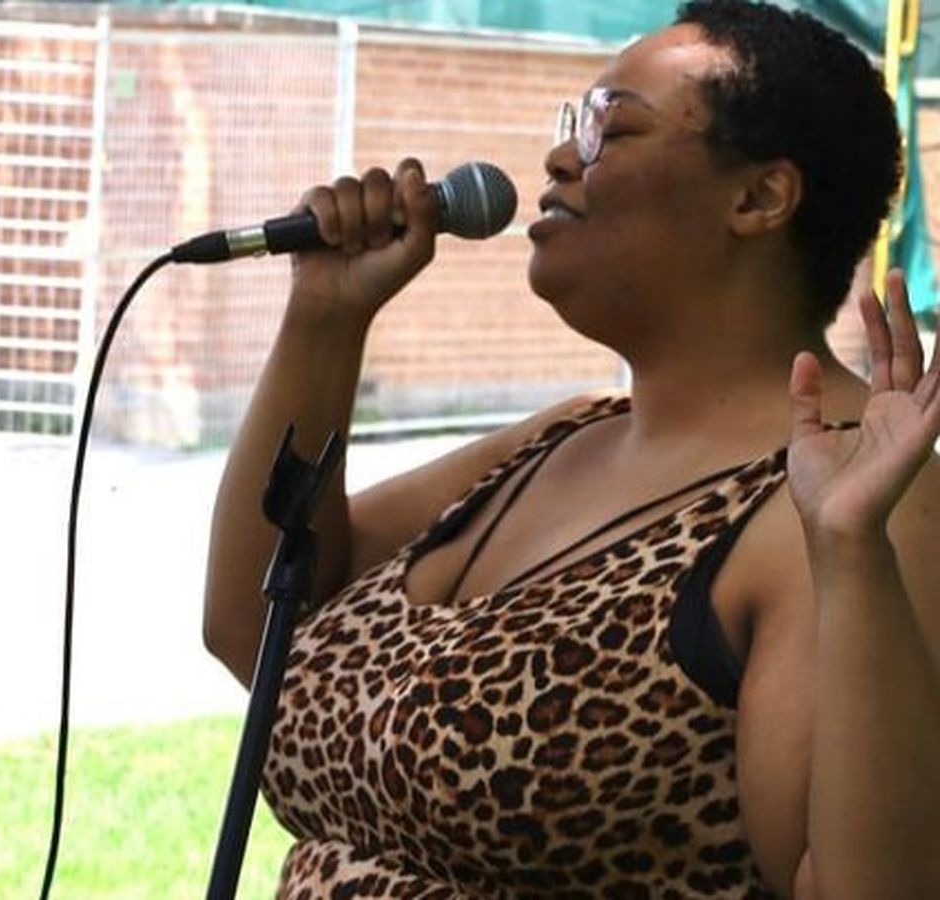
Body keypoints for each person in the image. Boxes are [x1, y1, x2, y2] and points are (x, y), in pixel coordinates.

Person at [202, 1, 940, 896]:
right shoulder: (564, 437)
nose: (558, 158)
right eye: (571, 124)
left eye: (608, 131)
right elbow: (252, 625)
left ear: (757, 199)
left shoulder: (859, 497)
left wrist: (854, 552)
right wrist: (325, 318)